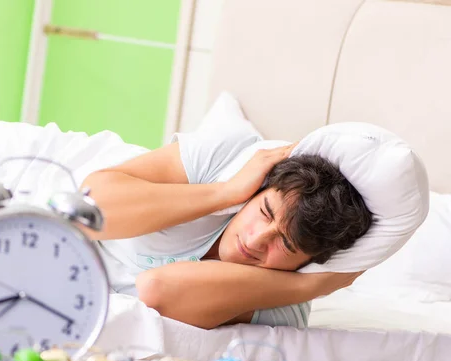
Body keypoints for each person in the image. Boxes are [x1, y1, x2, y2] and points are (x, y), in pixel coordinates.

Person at [80, 128, 373, 330]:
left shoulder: (284, 306)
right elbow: (87, 207)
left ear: (307, 261)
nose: (257, 239)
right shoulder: (227, 156)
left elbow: (156, 291)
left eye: (285, 245)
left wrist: (308, 287)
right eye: (264, 212)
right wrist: (226, 192)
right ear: (258, 190)